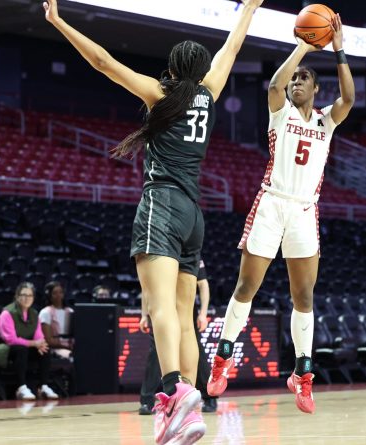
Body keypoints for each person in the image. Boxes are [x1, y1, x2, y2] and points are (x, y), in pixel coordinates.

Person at [44, 0, 262, 442]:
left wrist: (59, 21)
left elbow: (103, 62)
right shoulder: (210, 92)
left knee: (160, 307)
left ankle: (172, 393)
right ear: (199, 71)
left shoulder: (161, 94)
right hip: (194, 214)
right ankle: (191, 406)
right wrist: (248, 10)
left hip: (161, 205)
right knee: (182, 315)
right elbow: (232, 49)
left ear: (173, 68)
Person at [207, 13, 355, 415]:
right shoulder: (281, 112)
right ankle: (223, 359)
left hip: (305, 210)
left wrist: (338, 47)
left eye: (303, 79)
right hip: (272, 203)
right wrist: (304, 45)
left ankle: (302, 376)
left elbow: (349, 99)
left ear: (315, 87)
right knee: (246, 288)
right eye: (294, 80)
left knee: (304, 295)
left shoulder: (326, 121)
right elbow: (274, 84)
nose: (295, 83)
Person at [138, 260, 217, 415]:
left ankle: (209, 396)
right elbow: (148, 288)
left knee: (195, 352)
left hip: (185, 307)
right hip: (162, 307)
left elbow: (203, 285)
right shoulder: (159, 252)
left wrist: (203, 313)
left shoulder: (189, 253)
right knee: (156, 352)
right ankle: (146, 402)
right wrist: (144, 314)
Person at [0, 282, 59, 401]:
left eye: (30, 295)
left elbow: (38, 335)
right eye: (23, 295)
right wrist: (34, 343)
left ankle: (43, 386)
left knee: (45, 350)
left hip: (24, 346)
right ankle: (21, 387)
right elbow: (10, 340)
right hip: (2, 348)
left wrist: (40, 344)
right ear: (17, 296)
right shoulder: (7, 313)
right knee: (21, 349)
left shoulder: (34, 314)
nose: (27, 298)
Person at [38, 281, 74, 361]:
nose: (58, 295)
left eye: (60, 292)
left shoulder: (70, 311)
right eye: (55, 293)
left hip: (71, 346)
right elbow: (48, 340)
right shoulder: (45, 312)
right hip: (55, 349)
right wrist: (67, 346)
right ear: (49, 296)